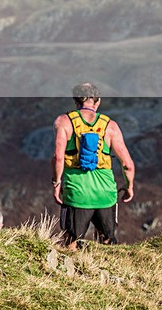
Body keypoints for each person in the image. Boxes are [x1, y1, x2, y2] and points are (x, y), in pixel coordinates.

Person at [52, 83, 135, 248]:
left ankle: (71, 273)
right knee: (107, 240)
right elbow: (127, 164)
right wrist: (129, 186)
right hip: (106, 193)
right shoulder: (110, 126)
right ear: (97, 102)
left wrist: (56, 183)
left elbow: (58, 157)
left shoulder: (64, 122)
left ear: (76, 102)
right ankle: (108, 272)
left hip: (77, 192)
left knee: (71, 242)